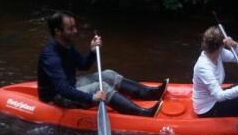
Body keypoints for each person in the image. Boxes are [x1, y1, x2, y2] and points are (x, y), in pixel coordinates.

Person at [38, 10, 168, 117]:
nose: (75, 31)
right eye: (70, 29)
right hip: (58, 96)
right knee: (101, 88)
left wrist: (93, 51)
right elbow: (63, 89)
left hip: (71, 84)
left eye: (75, 27)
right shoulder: (50, 56)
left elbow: (83, 65)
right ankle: (142, 113)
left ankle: (150, 93)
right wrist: (92, 97)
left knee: (109, 74)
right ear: (58, 31)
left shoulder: (67, 45)